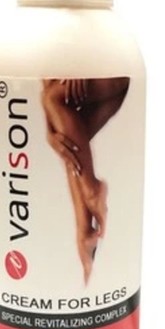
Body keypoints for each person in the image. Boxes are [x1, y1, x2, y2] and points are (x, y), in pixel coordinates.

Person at [42, 78, 130, 284]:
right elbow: (46, 81)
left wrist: (79, 66)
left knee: (53, 100)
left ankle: (93, 192)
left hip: (113, 75)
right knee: (70, 147)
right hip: (86, 78)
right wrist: (50, 131)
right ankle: (85, 233)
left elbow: (50, 93)